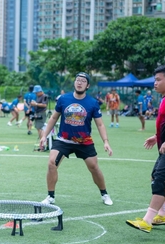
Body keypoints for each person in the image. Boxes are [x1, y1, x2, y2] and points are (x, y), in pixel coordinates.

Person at [126, 65, 165, 233]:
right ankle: (163, 215)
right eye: (155, 80)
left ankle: (147, 221)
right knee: (156, 177)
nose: (155, 83)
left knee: (158, 182)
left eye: (158, 80)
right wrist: (157, 137)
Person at [40, 73, 114, 206]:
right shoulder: (63, 99)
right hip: (64, 140)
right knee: (51, 163)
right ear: (74, 83)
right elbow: (53, 118)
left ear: (88, 85)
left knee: (94, 167)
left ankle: (104, 194)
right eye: (78, 80)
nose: (80, 83)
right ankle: (50, 197)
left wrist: (106, 141)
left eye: (83, 81)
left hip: (84, 141)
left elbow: (100, 124)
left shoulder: (93, 103)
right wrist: (44, 135)